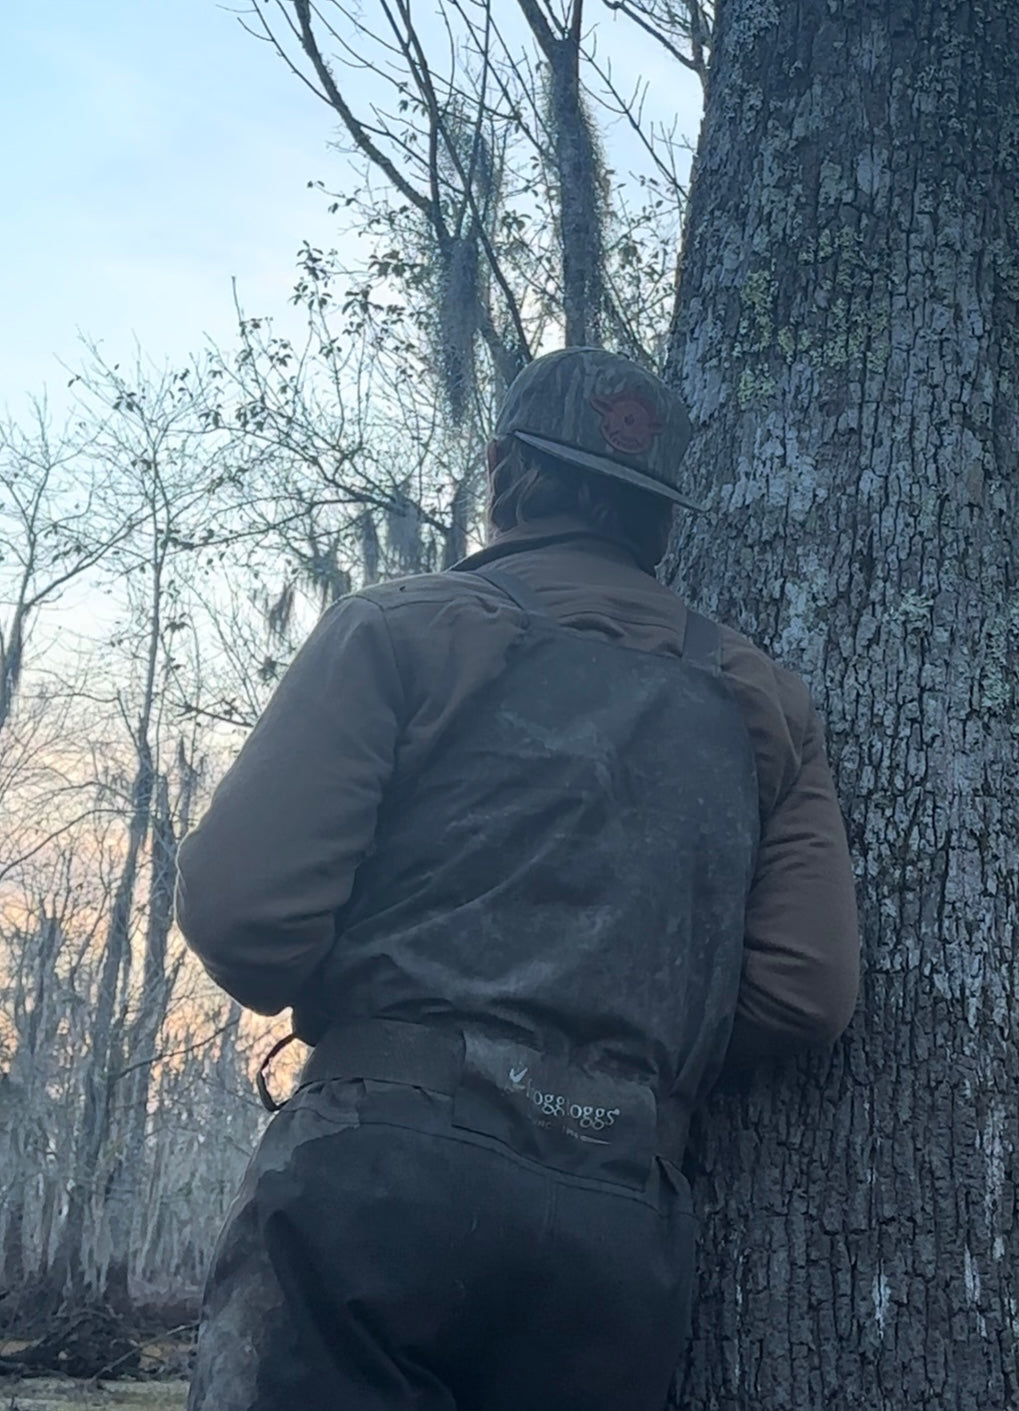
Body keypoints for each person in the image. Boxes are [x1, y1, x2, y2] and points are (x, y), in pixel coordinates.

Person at [177, 346, 859, 1411]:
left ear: (500, 468)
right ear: (664, 519)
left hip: (377, 1182)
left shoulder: (400, 628)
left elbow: (243, 917)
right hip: (614, 1220)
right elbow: (807, 991)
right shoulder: (765, 701)